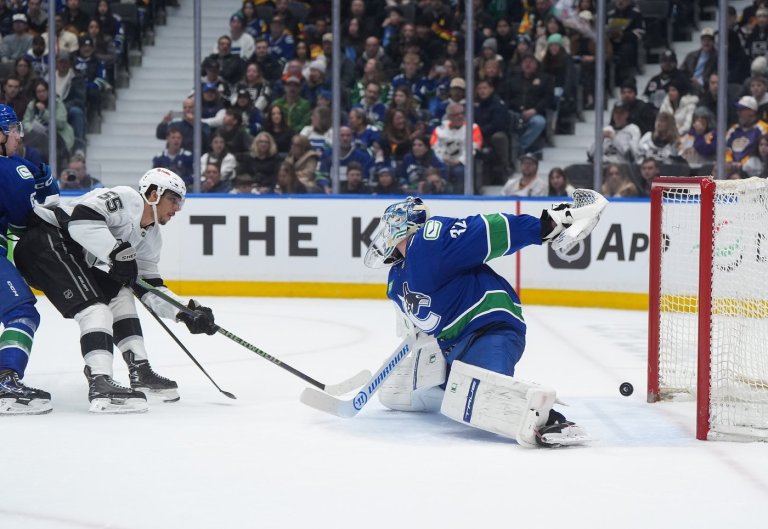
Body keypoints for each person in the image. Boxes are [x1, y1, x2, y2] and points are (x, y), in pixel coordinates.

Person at [362, 195, 604, 447]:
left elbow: (486, 231)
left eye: (388, 225)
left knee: (487, 393)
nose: (385, 234)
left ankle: (550, 420)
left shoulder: (429, 241)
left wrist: (546, 226)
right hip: (452, 347)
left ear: (403, 224)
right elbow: (416, 327)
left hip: (489, 330)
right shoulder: (396, 279)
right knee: (448, 391)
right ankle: (448, 383)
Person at [13, 168, 218, 413]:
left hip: (71, 255)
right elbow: (81, 219)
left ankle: (139, 370)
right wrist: (115, 251)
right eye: (173, 200)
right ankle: (100, 382)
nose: (178, 208)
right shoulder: (126, 198)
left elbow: (150, 288)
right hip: (45, 244)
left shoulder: (151, 238)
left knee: (120, 293)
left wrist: (185, 312)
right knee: (96, 311)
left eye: (180, 202)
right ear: (153, 194)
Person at [0, 104, 59, 415]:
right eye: (11, 130)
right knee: (22, 312)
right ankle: (5, 381)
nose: (17, 137)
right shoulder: (12, 169)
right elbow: (25, 222)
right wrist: (44, 185)